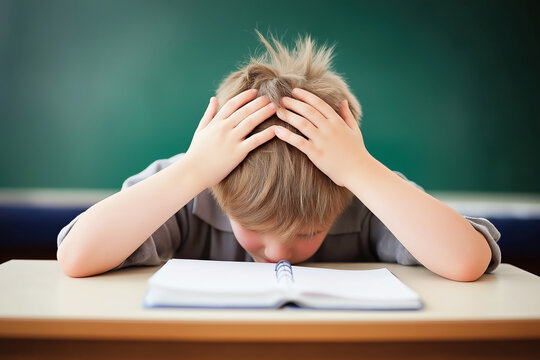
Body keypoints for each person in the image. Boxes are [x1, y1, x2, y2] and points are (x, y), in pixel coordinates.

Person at [57, 30, 501, 281]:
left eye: (307, 231)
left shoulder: (360, 187)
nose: (276, 252)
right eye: (252, 227)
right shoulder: (192, 182)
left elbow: (467, 260)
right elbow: (77, 257)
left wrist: (362, 171)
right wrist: (193, 170)